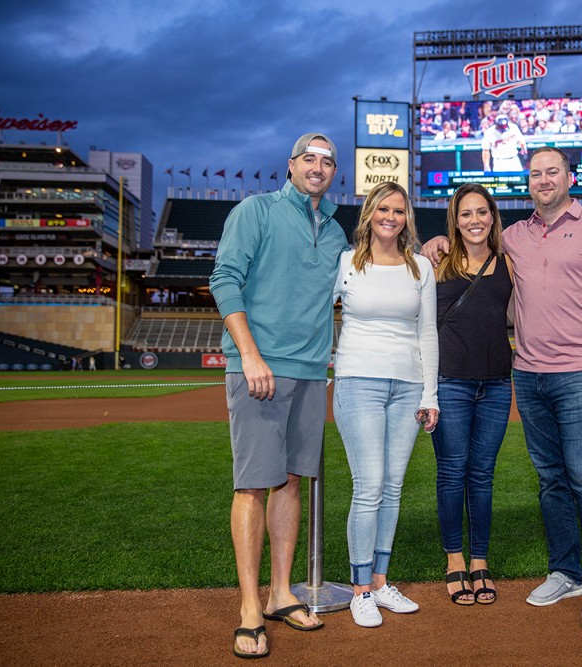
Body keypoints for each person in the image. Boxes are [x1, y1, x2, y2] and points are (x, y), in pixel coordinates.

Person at [423, 146, 582, 631]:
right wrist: (437, 239)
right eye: (535, 173)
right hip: (527, 372)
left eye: (552, 171)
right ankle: (565, 571)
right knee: (551, 479)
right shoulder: (513, 238)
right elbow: (468, 242)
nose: (543, 180)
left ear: (569, 177)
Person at [209, 132, 346, 659]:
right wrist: (249, 354)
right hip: (259, 370)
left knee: (290, 482)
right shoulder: (256, 210)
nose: (317, 167)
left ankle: (280, 592)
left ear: (333, 172)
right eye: (309, 158)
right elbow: (225, 279)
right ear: (290, 165)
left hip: (311, 373)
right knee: (252, 485)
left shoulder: (335, 230)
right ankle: (249, 607)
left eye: (327, 161)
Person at [331, 181, 439, 628]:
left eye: (398, 210)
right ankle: (359, 590)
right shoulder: (345, 263)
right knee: (369, 486)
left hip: (408, 386)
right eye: (382, 209)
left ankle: (379, 582)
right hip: (358, 382)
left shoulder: (420, 267)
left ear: (406, 217)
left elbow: (427, 332)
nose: (390, 217)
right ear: (369, 214)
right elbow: (316, 313)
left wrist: (430, 393)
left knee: (392, 488)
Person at [430, 184, 513, 606]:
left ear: (492, 216)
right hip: (450, 382)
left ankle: (480, 560)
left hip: (497, 384)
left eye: (482, 212)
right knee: (451, 473)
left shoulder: (509, 262)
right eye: (466, 213)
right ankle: (454, 559)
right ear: (455, 220)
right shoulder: (436, 262)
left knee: (482, 475)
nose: (474, 220)